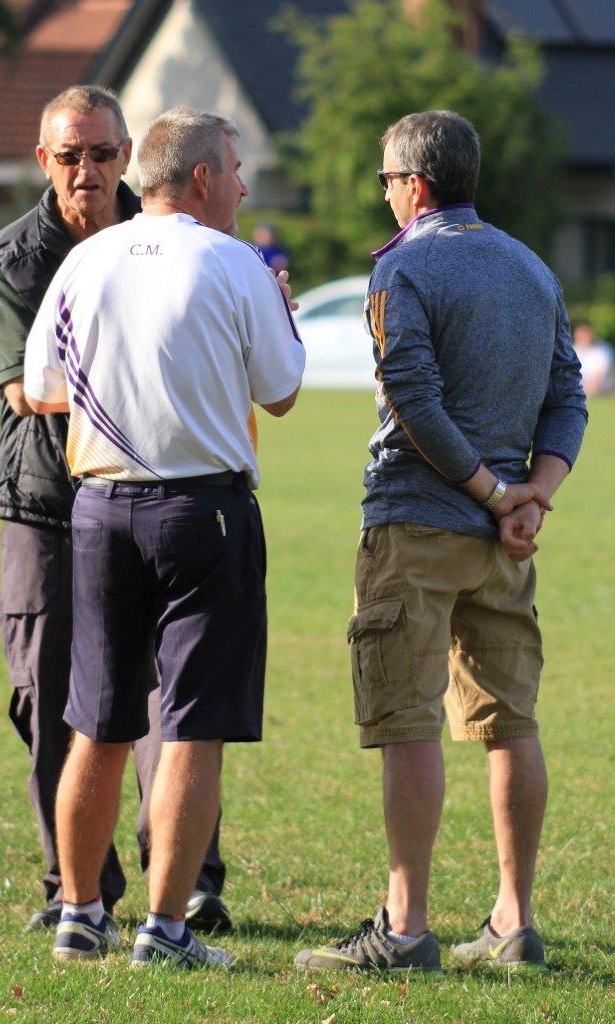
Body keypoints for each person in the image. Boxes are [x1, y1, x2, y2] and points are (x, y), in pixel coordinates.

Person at [295, 110, 586, 974]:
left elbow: (415, 402)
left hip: (417, 523)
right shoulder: (533, 267)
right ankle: (513, 921)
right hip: (505, 543)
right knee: (511, 723)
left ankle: (406, 926)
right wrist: (533, 495)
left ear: (413, 185)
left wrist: (498, 492)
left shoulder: (403, 267)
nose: (384, 195)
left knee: (408, 720)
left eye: (386, 181)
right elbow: (567, 394)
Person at [22, 107, 305, 968]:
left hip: (101, 508)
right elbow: (283, 392)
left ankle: (79, 915)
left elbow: (39, 387)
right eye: (237, 167)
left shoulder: (87, 259)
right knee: (191, 726)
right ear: (202, 178)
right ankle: (167, 930)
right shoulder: (235, 261)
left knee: (95, 724)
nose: (245, 183)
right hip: (205, 513)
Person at [0, 85, 230, 935]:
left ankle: (186, 879)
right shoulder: (13, 256)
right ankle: (75, 893)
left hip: (159, 497)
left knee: (178, 697)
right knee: (51, 695)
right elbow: (26, 390)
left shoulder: (170, 234)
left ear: (128, 156)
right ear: (43, 161)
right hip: (50, 505)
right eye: (69, 155)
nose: (87, 170)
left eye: (102, 153)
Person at [572, 321, 614, 397]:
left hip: (600, 386)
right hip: (577, 385)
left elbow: (601, 375)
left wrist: (589, 386)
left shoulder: (603, 349)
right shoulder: (572, 350)